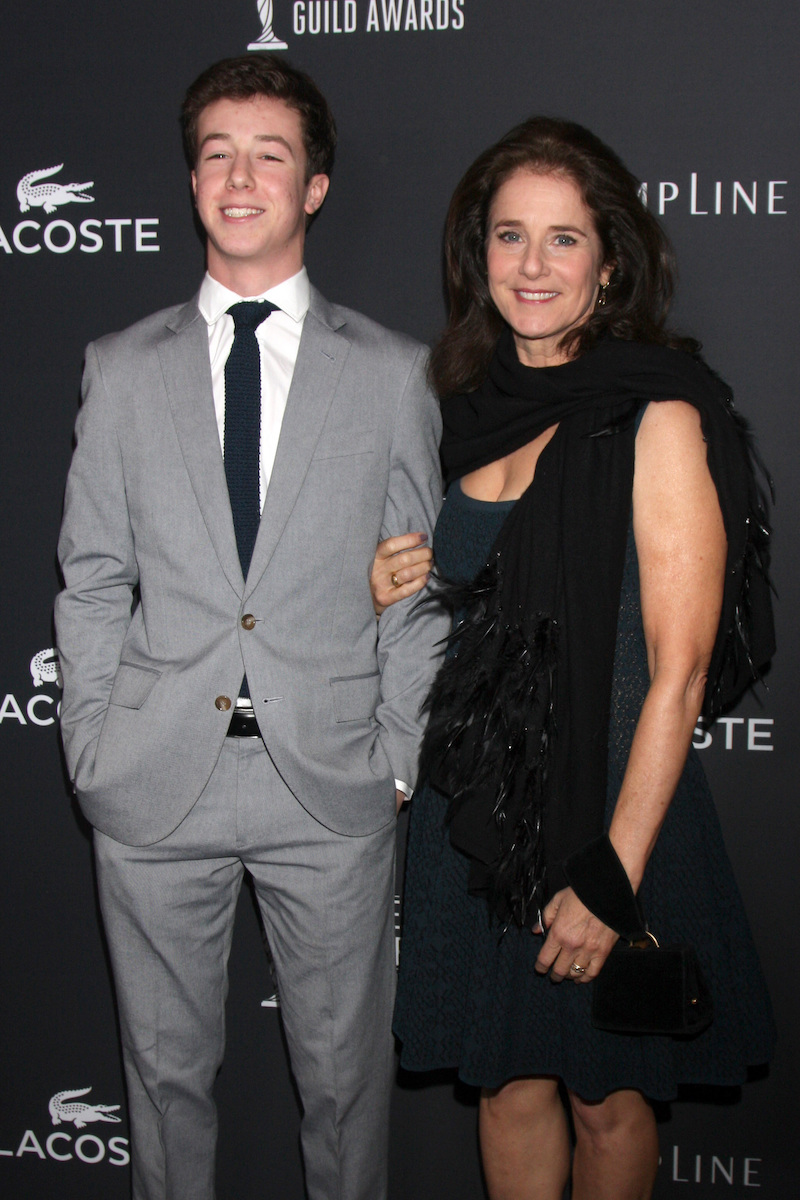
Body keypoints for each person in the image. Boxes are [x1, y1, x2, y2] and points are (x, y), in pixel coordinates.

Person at [55, 54, 448, 1200]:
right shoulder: (119, 371)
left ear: (312, 186)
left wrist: (394, 758)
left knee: (344, 1092)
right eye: (217, 154)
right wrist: (91, 747)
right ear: (191, 181)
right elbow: (91, 579)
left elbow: (415, 585)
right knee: (162, 1085)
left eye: (268, 155)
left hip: (327, 784)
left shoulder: (390, 374)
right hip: (151, 780)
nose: (239, 178)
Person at [378, 117, 776, 1200]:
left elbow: (678, 670)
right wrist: (393, 583)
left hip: (612, 805)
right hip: (476, 804)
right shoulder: (460, 411)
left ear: (609, 262)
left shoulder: (656, 412)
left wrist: (609, 874)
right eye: (510, 236)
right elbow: (466, 615)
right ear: (478, 255)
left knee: (609, 1099)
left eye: (563, 238)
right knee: (506, 1085)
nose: (533, 265)